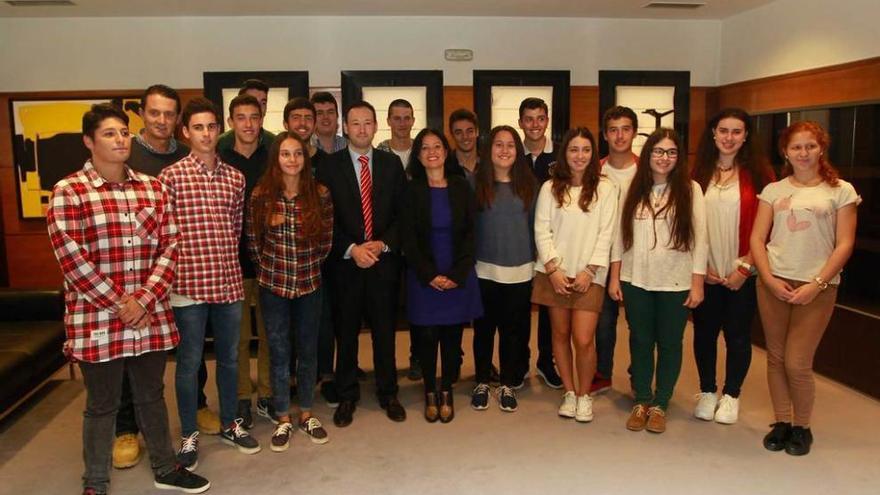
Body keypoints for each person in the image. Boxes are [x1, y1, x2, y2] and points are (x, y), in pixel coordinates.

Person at [47, 103, 209, 494]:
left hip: (149, 316)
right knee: (102, 405)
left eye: (123, 132)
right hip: (98, 319)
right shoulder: (69, 192)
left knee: (152, 396)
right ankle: (95, 481)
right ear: (89, 141)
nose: (120, 139)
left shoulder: (153, 188)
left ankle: (166, 468)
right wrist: (124, 304)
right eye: (109, 133)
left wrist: (146, 299)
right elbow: (73, 260)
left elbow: (171, 247)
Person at [113, 84, 221, 471]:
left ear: (180, 123)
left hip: (180, 270)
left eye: (169, 114)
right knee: (133, 351)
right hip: (134, 268)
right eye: (154, 112)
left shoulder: (185, 153)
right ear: (142, 113)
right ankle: (126, 427)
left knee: (190, 347)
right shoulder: (128, 152)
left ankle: (198, 405)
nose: (162, 120)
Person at [159, 97, 260, 471]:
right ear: (185, 132)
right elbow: (164, 235)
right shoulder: (169, 178)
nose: (206, 133)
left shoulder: (236, 177)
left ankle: (231, 423)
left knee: (231, 359)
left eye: (212, 126)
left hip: (228, 283)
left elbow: (235, 230)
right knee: (188, 364)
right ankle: (188, 434)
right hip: (186, 287)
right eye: (198, 127)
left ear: (220, 130)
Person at [750, 121, 859, 456]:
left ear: (821, 148)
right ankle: (782, 422)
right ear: (786, 152)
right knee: (776, 357)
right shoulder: (774, 191)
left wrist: (818, 283)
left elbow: (844, 244)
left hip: (818, 286)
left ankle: (802, 427)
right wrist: (767, 278)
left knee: (798, 362)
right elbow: (757, 238)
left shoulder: (840, 190)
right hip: (774, 282)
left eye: (810, 146)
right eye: (796, 147)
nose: (803, 153)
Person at [608, 127, 707, 434]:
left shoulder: (691, 190)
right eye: (658, 151)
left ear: (679, 157)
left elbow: (700, 240)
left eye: (671, 152)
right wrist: (615, 277)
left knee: (669, 343)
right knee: (639, 340)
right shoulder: (632, 189)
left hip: (675, 281)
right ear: (648, 154)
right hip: (636, 279)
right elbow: (618, 237)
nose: (664, 158)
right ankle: (642, 400)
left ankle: (661, 402)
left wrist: (698, 282)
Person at [316, 101, 408, 427]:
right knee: (347, 332)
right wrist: (352, 248)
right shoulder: (328, 166)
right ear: (345, 126)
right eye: (355, 123)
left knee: (385, 331)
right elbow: (325, 220)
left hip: (383, 262)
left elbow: (402, 214)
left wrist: (382, 244)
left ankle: (388, 392)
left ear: (375, 126)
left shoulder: (391, 164)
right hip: (346, 263)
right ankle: (347, 395)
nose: (362, 129)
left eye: (367, 123)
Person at [247, 133, 334, 451]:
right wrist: (268, 271)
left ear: (305, 158)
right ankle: (283, 417)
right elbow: (253, 242)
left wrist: (308, 267)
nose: (293, 159)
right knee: (280, 352)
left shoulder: (320, 194)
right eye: (285, 154)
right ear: (276, 159)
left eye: (298, 153)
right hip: (274, 286)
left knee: (308, 351)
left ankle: (307, 413)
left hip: (309, 283)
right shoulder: (261, 195)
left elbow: (326, 241)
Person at [691, 108, 775, 425]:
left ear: (746, 136)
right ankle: (708, 391)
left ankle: (731, 395)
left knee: (738, 336)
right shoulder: (697, 174)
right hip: (706, 272)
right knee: (704, 334)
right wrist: (701, 269)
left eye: (736, 131)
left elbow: (769, 228)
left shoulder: (761, 176)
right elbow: (687, 225)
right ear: (713, 134)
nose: (729, 137)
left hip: (743, 271)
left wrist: (746, 268)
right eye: (723, 130)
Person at [532, 128, 617, 422]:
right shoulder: (549, 188)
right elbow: (542, 230)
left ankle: (585, 395)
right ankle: (569, 392)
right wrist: (554, 269)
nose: (579, 156)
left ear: (592, 154)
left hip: (589, 275)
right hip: (555, 273)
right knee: (560, 334)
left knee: (583, 339)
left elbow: (607, 234)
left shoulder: (606, 188)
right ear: (564, 153)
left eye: (585, 150)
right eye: (573, 150)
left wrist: (590, 270)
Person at [401, 128, 483, 423]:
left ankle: (446, 387)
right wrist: (429, 275)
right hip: (423, 274)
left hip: (457, 272)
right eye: (425, 148)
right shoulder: (411, 189)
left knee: (451, 335)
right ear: (418, 155)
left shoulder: (461, 186)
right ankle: (429, 390)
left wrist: (457, 273)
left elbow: (472, 233)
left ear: (446, 152)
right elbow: (407, 239)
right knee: (425, 335)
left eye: (437, 146)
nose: (432, 152)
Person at [470, 126, 538, 412]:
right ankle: (483, 380)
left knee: (513, 332)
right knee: (484, 330)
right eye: (499, 144)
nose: (505, 150)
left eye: (511, 145)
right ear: (489, 150)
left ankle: (508, 383)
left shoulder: (530, 186)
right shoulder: (475, 184)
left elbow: (538, 228)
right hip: (484, 270)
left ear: (518, 151)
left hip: (520, 271)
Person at [218, 94, 274, 429]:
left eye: (254, 117)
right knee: (236, 338)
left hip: (270, 261)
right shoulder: (221, 160)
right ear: (231, 122)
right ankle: (240, 398)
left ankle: (266, 393)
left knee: (270, 335)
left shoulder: (273, 159)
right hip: (231, 263)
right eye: (241, 117)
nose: (249, 124)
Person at [593, 106, 639, 395]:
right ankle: (602, 372)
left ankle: (638, 374)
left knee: (638, 322)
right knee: (603, 321)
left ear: (634, 132)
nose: (619, 135)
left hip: (637, 256)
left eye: (625, 128)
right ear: (605, 134)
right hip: (602, 256)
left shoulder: (647, 168)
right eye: (613, 129)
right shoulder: (595, 169)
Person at [518, 97, 563, 389]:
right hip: (520, 245)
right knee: (519, 309)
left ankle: (547, 362)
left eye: (540, 118)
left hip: (552, 245)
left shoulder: (561, 156)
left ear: (547, 121)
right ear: (521, 122)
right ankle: (518, 363)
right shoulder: (510, 154)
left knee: (549, 309)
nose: (535, 124)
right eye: (529, 119)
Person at [217, 78, 275, 152]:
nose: (258, 107)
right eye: (251, 101)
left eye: (263, 103)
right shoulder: (220, 144)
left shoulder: (274, 143)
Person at [377, 99, 415, 168]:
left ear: (413, 121)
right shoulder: (379, 154)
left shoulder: (421, 150)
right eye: (397, 119)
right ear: (388, 121)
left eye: (406, 118)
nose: (402, 123)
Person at [447, 109, 480, 180]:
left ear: (477, 132)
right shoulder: (445, 166)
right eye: (459, 133)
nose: (465, 137)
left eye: (469, 131)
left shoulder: (489, 163)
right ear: (452, 135)